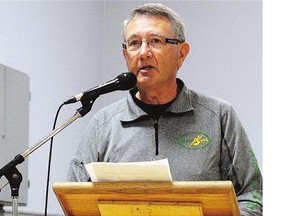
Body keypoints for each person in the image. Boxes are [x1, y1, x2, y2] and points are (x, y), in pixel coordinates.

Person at [67, 3, 262, 215]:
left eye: (155, 41)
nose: (143, 52)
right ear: (125, 55)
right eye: (134, 43)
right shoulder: (103, 124)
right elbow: (75, 199)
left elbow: (253, 195)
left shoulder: (219, 116)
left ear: (181, 53)